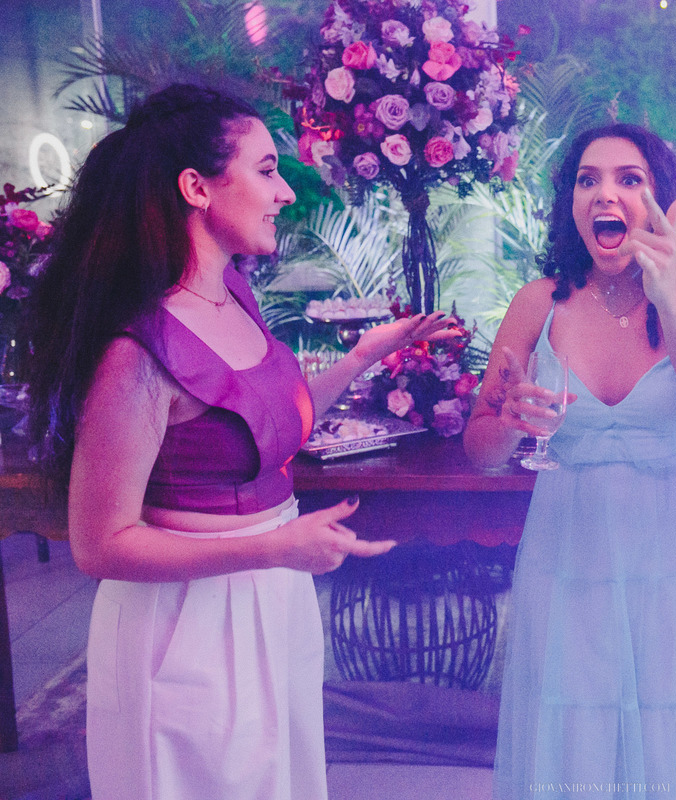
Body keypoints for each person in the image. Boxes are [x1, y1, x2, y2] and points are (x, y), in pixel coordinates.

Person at [23, 84, 455, 800]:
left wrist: (361, 357)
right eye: (266, 170)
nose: (285, 192)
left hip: (271, 599)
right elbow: (99, 545)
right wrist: (274, 548)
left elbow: (271, 427)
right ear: (196, 188)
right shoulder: (138, 351)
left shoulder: (234, 295)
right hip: (184, 626)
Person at [464, 123, 676, 799]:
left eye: (630, 179)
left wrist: (668, 285)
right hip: (570, 547)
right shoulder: (538, 303)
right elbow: (480, 451)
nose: (606, 193)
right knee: (578, 727)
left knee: (672, 725)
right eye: (587, 179)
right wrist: (508, 423)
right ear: (571, 204)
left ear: (661, 200)